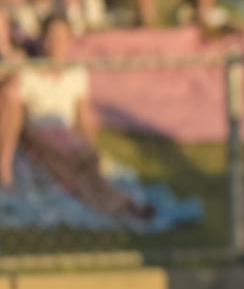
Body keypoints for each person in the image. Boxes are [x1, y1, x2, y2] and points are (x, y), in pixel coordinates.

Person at [0, 13, 153, 219]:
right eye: (52, 37)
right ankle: (119, 204)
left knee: (84, 166)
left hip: (67, 138)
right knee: (79, 172)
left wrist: (89, 144)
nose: (56, 44)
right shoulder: (28, 71)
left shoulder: (75, 73)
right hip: (37, 139)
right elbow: (13, 106)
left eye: (62, 38)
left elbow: (85, 115)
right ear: (43, 39)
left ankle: (119, 203)